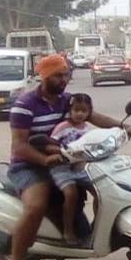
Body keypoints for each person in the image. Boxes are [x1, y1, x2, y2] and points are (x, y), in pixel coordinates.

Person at [2, 56, 131, 260]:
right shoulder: (25, 105)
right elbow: (20, 146)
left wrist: (125, 127)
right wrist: (45, 159)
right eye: (59, 75)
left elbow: (93, 117)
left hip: (66, 161)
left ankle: (105, 236)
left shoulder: (67, 100)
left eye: (66, 74)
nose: (64, 79)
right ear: (44, 76)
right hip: (29, 165)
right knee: (36, 205)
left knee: (104, 185)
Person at [49, 93, 95, 245]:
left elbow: (93, 148)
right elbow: (51, 144)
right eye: (76, 110)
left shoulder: (88, 130)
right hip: (61, 168)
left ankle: (98, 228)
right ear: (70, 110)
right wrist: (61, 153)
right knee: (71, 193)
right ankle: (68, 230)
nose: (80, 114)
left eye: (84, 111)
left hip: (81, 168)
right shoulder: (62, 127)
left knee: (101, 192)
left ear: (89, 112)